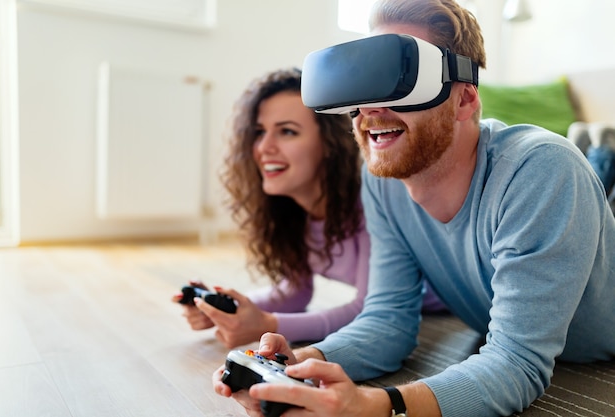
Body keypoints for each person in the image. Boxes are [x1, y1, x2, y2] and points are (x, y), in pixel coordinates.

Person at [212, 1, 615, 416]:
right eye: (366, 85)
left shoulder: (541, 170)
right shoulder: (382, 182)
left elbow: (516, 362)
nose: (370, 110)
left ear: (464, 99)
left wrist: (380, 407)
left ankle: (599, 153)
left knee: (589, 170)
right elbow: (388, 321)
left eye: (400, 83)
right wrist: (297, 360)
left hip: (602, 347)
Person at [172, 67, 448, 349]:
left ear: (330, 144)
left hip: (456, 305)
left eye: (287, 132)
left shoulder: (370, 202)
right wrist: (227, 309)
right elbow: (294, 293)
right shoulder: (294, 213)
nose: (264, 147)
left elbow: (368, 309)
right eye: (259, 132)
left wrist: (269, 326)